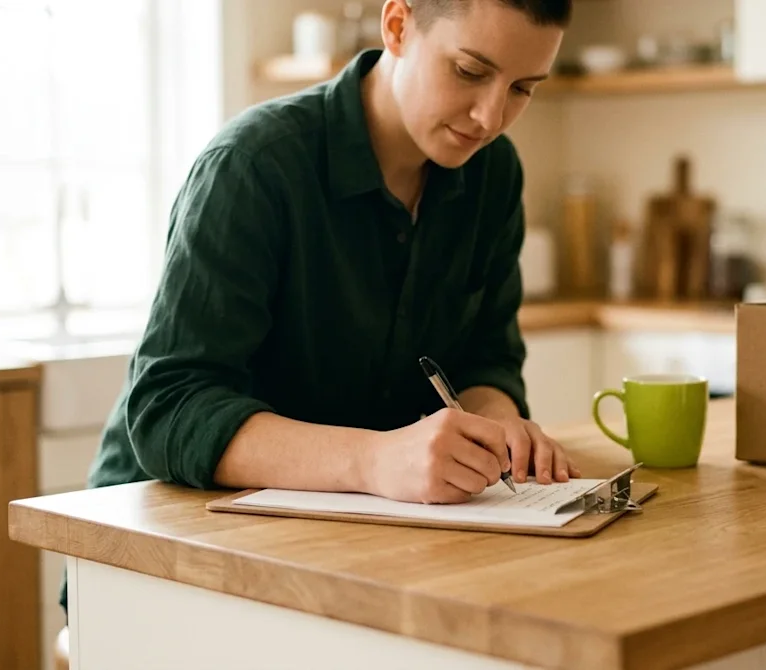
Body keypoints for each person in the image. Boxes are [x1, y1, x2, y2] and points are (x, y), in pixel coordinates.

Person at [59, 0, 577, 614]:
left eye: (522, 88)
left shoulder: (494, 175)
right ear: (398, 25)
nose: (491, 116)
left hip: (345, 550)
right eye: (469, 71)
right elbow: (168, 408)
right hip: (159, 556)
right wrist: (378, 460)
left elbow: (488, 355)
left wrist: (498, 423)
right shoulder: (252, 167)